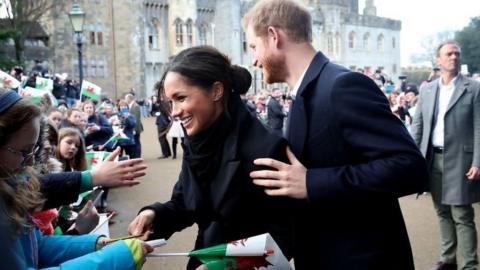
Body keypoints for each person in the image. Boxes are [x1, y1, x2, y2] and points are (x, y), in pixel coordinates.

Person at [243, 1, 428, 269]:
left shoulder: (342, 86)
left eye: (253, 46)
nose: (254, 59)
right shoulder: (301, 95)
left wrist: (312, 183)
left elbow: (409, 167)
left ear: (274, 36)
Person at [128, 46, 293, 270]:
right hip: (203, 258)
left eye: (181, 98)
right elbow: (185, 203)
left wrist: (228, 265)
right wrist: (153, 214)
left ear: (216, 91)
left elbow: (287, 233)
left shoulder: (266, 148)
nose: (174, 112)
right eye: (170, 102)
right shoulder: (196, 142)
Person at [0, 88, 152, 269]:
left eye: (33, 150)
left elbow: (36, 247)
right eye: (24, 151)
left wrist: (93, 245)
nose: (31, 160)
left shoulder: (10, 186)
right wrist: (116, 259)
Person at [411, 40, 480, 270]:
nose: (454, 57)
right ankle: (448, 260)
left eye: (457, 53)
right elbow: (417, 125)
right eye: (449, 54)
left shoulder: (474, 88)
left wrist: (478, 161)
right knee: (441, 211)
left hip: (461, 160)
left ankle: (469, 265)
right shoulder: (427, 89)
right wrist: (412, 156)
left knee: (462, 214)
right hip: (432, 158)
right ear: (438, 60)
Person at [125, 94, 143, 158]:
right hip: (134, 128)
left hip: (136, 128)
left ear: (129, 99)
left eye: (126, 98)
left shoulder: (135, 106)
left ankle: (138, 156)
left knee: (137, 142)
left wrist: (134, 129)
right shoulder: (131, 105)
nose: (125, 100)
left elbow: (136, 119)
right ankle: (136, 155)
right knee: (136, 142)